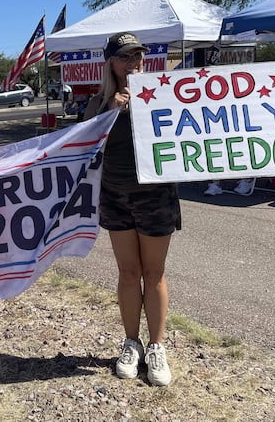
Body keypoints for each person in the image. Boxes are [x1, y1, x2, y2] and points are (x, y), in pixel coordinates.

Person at [83, 32, 179, 386]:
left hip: (156, 195)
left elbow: (218, 119)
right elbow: (81, 146)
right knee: (127, 272)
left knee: (153, 273)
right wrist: (110, 111)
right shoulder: (98, 103)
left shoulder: (166, 93)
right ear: (111, 62)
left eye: (138, 56)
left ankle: (157, 347)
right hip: (114, 194)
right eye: (124, 57)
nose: (133, 63)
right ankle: (131, 342)